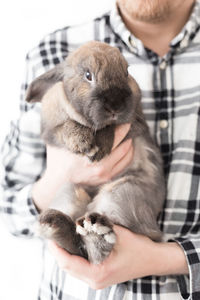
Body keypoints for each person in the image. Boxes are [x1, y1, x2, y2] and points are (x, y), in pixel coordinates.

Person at [1, 0, 200, 299]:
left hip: (135, 199)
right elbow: (10, 209)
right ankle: (77, 235)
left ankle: (96, 239)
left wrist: (168, 259)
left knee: (117, 201)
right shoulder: (52, 50)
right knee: (68, 201)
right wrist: (59, 176)